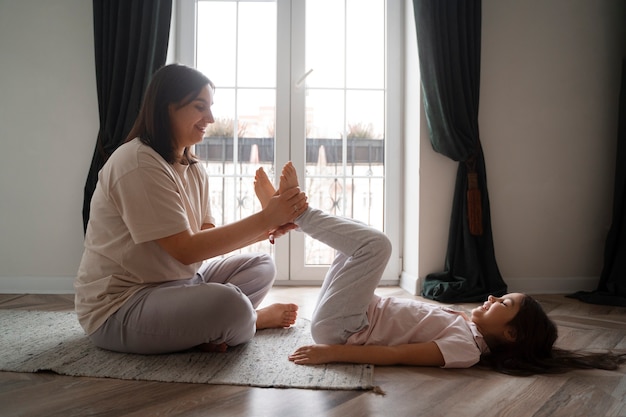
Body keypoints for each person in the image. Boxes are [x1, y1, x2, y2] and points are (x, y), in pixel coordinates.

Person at [255, 162, 626, 375]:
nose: (494, 296)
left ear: (510, 335)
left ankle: (295, 212)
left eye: (503, 304)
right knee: (357, 237)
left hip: (341, 330)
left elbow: (395, 355)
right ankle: (285, 216)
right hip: (350, 314)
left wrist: (331, 353)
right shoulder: (466, 324)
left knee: (377, 244)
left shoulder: (465, 350)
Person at [75, 64, 307, 354]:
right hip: (122, 304)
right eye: (200, 107)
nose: (210, 118)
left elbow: (205, 238)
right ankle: (252, 320)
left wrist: (266, 228)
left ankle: (205, 332)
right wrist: (264, 218)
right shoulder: (137, 163)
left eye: (210, 107)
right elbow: (186, 250)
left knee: (261, 266)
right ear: (167, 108)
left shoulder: (193, 168)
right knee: (231, 304)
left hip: (179, 283)